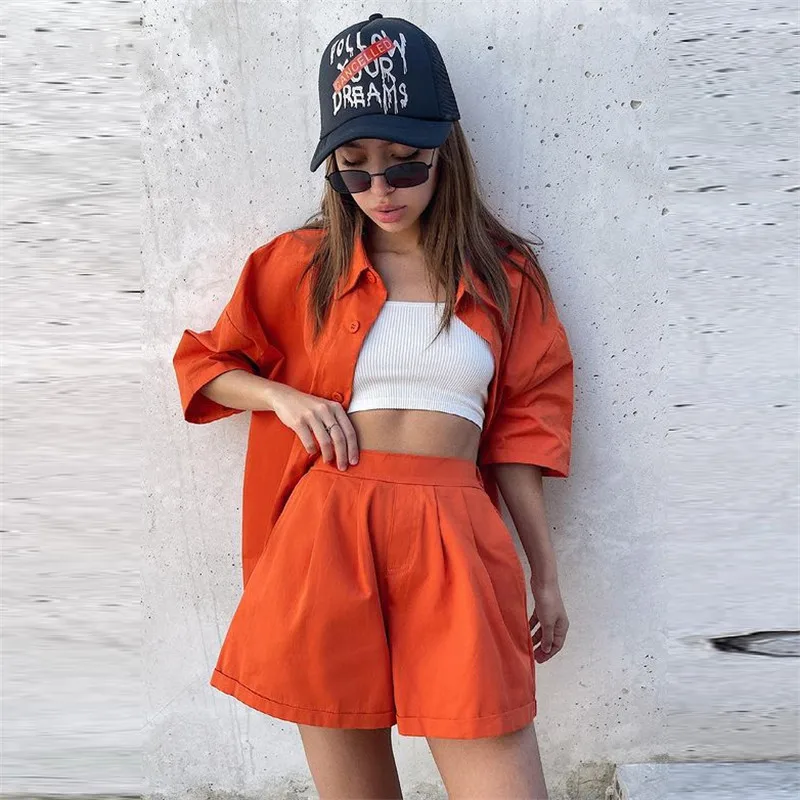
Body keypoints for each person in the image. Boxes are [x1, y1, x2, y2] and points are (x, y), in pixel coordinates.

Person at [172, 13, 575, 799]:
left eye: (404, 165)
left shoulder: (506, 278)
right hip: (324, 535)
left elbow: (523, 436)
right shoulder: (297, 265)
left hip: (457, 538)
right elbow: (204, 363)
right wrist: (280, 396)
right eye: (353, 170)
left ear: (445, 150)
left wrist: (547, 577)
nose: (380, 191)